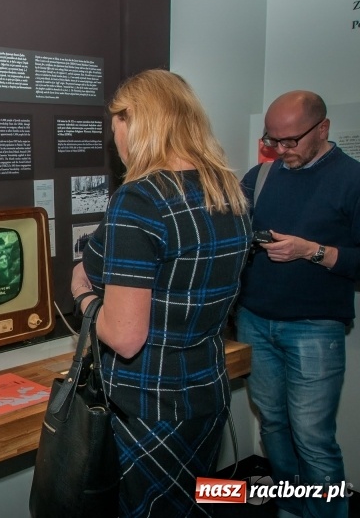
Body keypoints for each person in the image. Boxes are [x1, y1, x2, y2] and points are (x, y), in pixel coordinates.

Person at [71, 69, 251, 517]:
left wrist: (83, 299)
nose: (116, 140)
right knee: (195, 505)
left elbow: (126, 335)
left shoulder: (140, 200)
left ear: (135, 121)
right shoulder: (227, 190)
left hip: (150, 403)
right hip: (207, 391)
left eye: (116, 125)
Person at [236, 90, 360, 518]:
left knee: (313, 438)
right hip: (254, 322)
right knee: (273, 425)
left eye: (290, 141)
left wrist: (313, 250)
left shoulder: (353, 179)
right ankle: (292, 508)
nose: (281, 150)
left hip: (315, 329)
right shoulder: (260, 177)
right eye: (273, 140)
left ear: (323, 129)